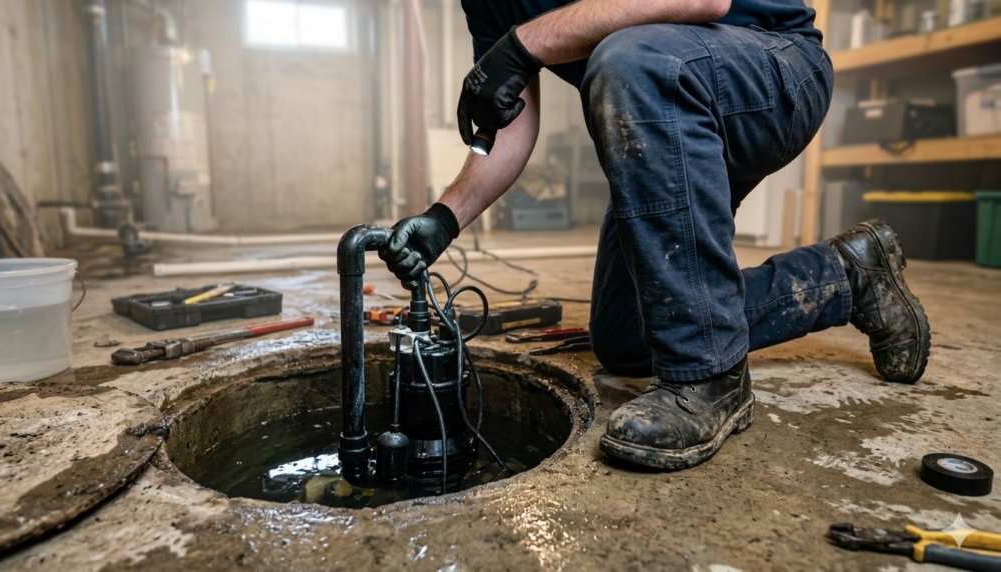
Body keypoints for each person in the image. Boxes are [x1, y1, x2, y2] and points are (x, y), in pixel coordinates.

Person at [378, 0, 930, 471]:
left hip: (770, 69)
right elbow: (512, 120)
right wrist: (445, 216)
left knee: (631, 59)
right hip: (672, 97)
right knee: (627, 337)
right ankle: (847, 276)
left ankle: (710, 377)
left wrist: (525, 42)